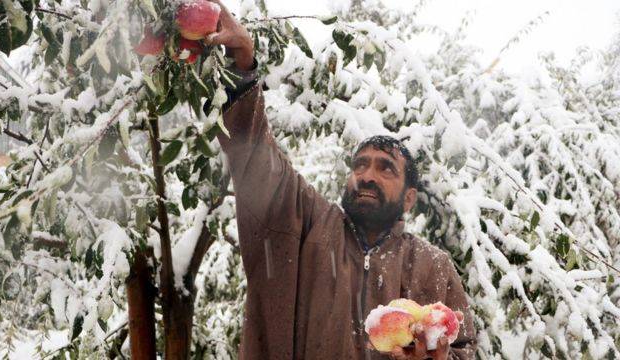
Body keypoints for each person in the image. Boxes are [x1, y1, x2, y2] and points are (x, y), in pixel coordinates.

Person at [204, 1, 477, 359]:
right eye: (360, 165)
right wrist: (242, 63)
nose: (367, 176)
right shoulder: (310, 223)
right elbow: (257, 156)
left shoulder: (432, 265)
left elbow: (466, 350)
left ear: (409, 199)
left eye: (385, 168)